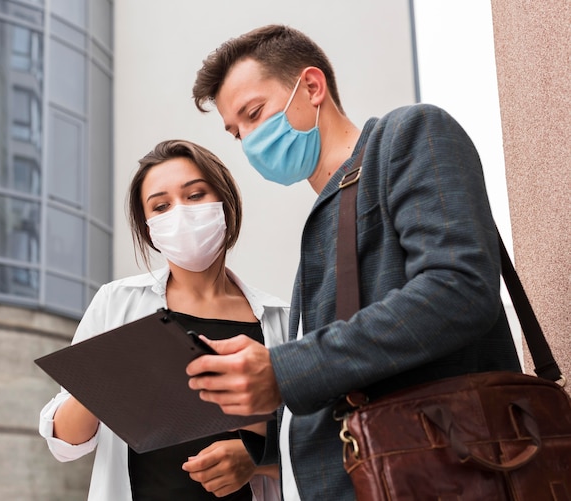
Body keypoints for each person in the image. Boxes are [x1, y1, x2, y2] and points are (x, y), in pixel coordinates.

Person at [185, 24, 522, 500]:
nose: (248, 141)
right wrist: (260, 455)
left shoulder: (409, 134)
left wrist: (283, 371)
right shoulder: (321, 221)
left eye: (254, 113)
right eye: (236, 132)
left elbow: (459, 288)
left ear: (312, 87)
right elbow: (347, 385)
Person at [39, 139, 288, 501]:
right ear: (149, 227)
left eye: (195, 195)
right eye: (161, 206)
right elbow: (65, 443)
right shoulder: (117, 302)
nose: (180, 214)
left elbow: (316, 442)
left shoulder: (280, 319)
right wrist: (106, 378)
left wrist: (257, 460)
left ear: (225, 201)